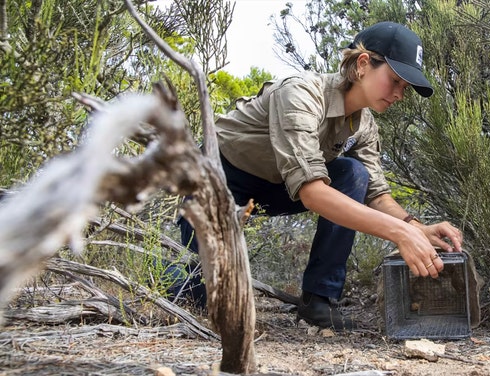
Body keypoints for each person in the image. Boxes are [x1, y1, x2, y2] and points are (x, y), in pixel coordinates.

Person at [173, 21, 463, 330]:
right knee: (200, 302)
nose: (399, 95)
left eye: (404, 88)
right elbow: (312, 192)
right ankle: (166, 282)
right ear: (363, 64)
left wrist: (417, 228)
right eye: (394, 80)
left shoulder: (364, 126)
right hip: (220, 180)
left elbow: (377, 195)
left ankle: (319, 301)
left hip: (279, 186)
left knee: (353, 173)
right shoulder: (300, 92)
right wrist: (400, 234)